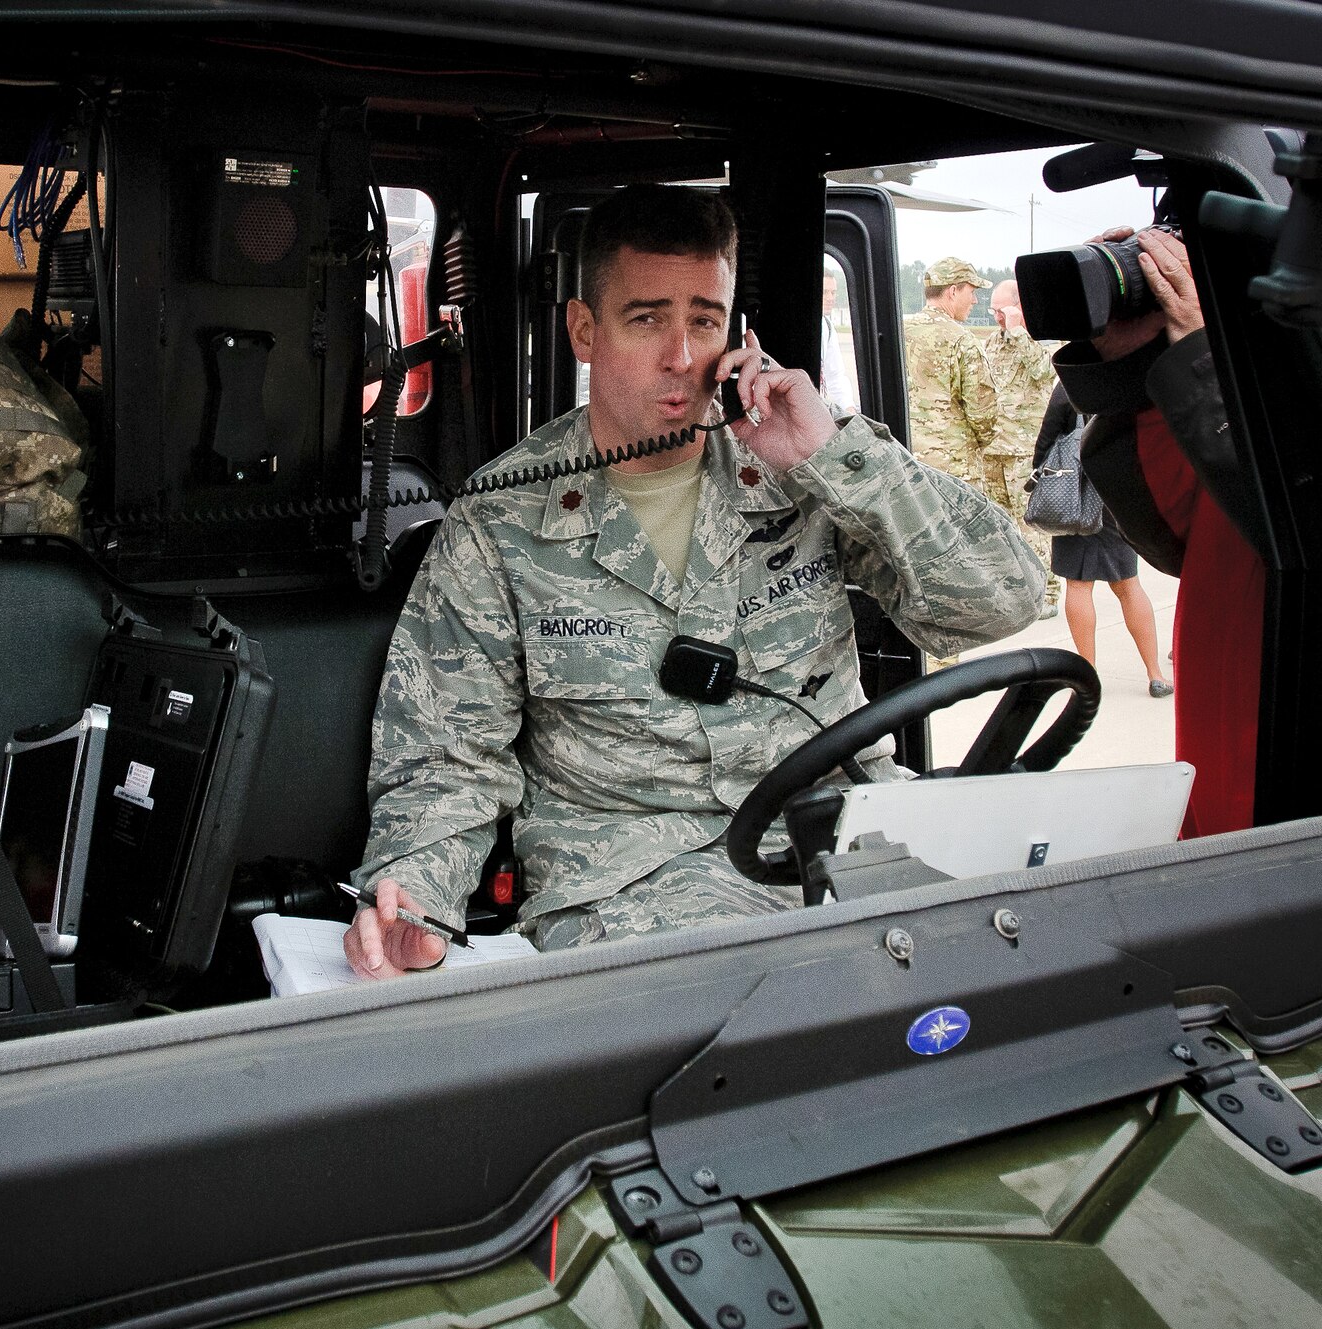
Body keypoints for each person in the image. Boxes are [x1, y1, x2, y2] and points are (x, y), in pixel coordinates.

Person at [343, 186, 1043, 977]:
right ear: (584, 330)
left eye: (705, 321)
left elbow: (1003, 598)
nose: (681, 355)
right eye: (647, 320)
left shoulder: (802, 465)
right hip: (637, 885)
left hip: (850, 841)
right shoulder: (500, 519)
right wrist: (417, 898)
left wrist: (837, 457)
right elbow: (446, 754)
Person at [1054, 226, 1267, 836]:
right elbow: (1170, 532)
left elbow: (1286, 527)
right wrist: (1134, 363)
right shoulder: (1255, 396)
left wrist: (1203, 360)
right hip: (1217, 779)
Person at [1031, 385, 1172, 696]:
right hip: (1116, 495)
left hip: (1073, 496)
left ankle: (1088, 676)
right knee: (1129, 584)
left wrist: (1042, 472)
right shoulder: (1125, 383)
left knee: (1078, 585)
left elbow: (1046, 439)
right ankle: (1155, 674)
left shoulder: (1069, 386)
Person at [983, 280, 1062, 615]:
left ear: (1018, 307)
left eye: (1002, 310)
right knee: (1001, 524)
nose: (997, 317)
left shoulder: (1041, 340)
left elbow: (1044, 372)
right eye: (993, 311)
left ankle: (1047, 594)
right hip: (994, 448)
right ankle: (1015, 590)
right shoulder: (992, 341)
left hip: (1023, 448)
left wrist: (1018, 331)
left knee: (1031, 523)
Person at [902, 257, 998, 487]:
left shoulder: (899, 331)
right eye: (971, 292)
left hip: (904, 459)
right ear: (953, 292)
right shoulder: (962, 341)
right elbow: (982, 413)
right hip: (954, 468)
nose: (975, 300)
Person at [817, 270, 860, 413]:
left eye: (833, 292)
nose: (830, 298)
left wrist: (850, 409)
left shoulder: (828, 327)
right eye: (824, 292)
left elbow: (835, 376)